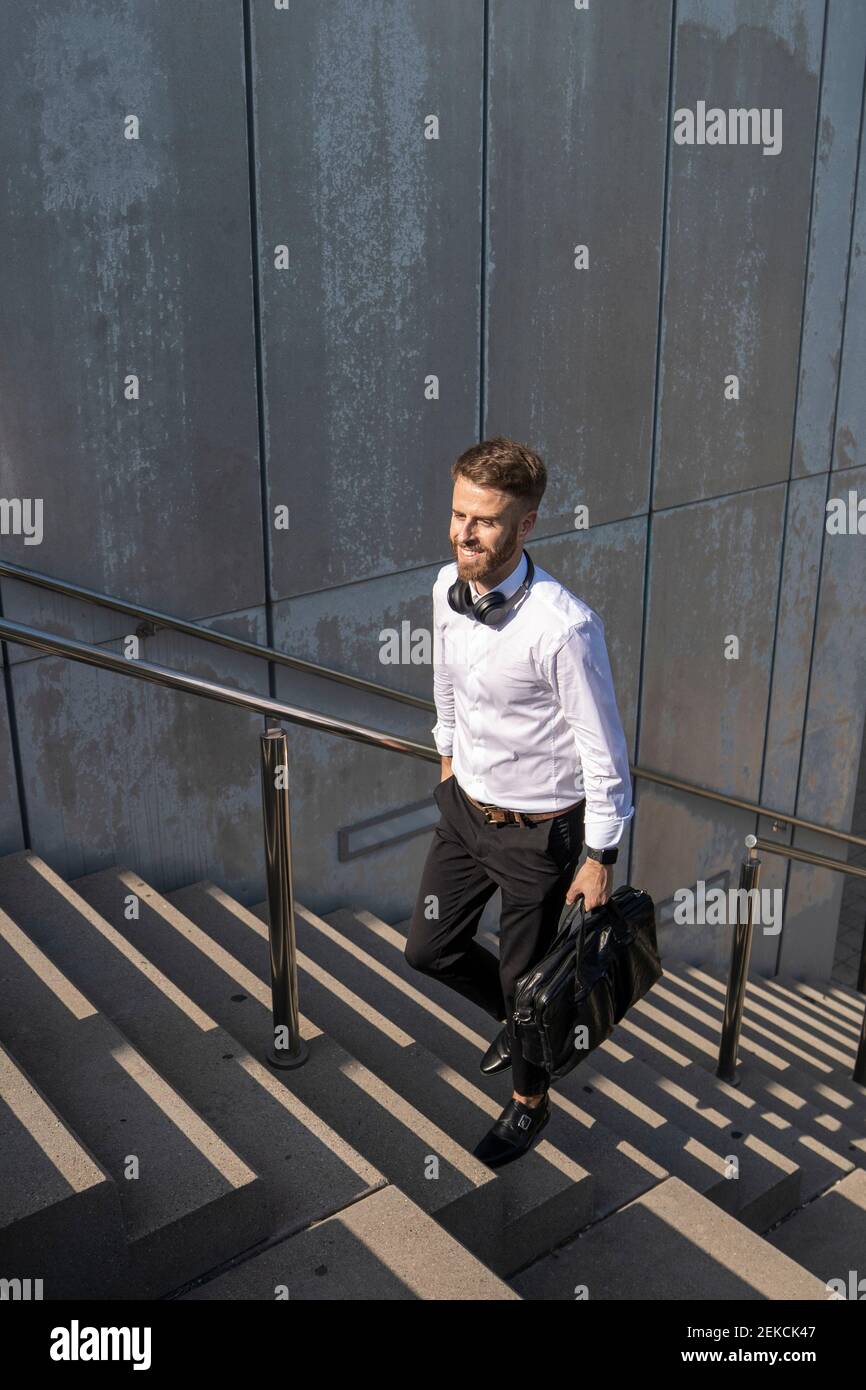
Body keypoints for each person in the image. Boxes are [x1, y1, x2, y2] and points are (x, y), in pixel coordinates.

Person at [404, 436, 634, 1167]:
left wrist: (600, 856)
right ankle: (528, 1023)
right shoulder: (447, 586)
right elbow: (445, 681)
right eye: (458, 513)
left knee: (525, 978)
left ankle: (530, 1103)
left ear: (526, 525)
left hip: (540, 837)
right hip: (465, 812)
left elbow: (604, 754)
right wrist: (446, 764)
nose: (465, 533)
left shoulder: (563, 628)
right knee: (429, 950)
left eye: (487, 521)